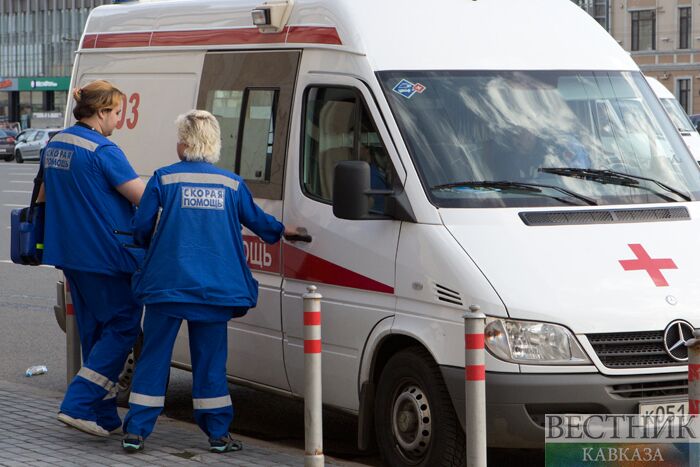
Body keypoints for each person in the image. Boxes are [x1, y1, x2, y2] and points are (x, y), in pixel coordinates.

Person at [121, 110, 297, 454]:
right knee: (211, 362)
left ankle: (136, 432)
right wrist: (282, 230)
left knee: (154, 357)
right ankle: (218, 435)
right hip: (214, 289)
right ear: (213, 143)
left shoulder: (164, 179)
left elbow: (141, 227)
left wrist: (149, 247)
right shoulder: (231, 184)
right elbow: (258, 222)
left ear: (185, 143)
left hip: (166, 286)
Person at [38, 80, 146, 437]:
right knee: (124, 325)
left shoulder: (56, 143)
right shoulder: (103, 150)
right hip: (106, 254)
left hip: (69, 253)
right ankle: (78, 404)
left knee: (95, 331)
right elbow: (141, 196)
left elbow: (42, 198)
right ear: (101, 112)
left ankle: (104, 413)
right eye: (117, 113)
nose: (119, 120)